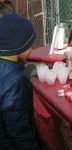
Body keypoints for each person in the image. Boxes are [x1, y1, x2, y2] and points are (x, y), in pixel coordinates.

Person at [0, 13, 40, 150]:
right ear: (18, 47)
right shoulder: (15, 81)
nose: (32, 49)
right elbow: (18, 127)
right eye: (29, 45)